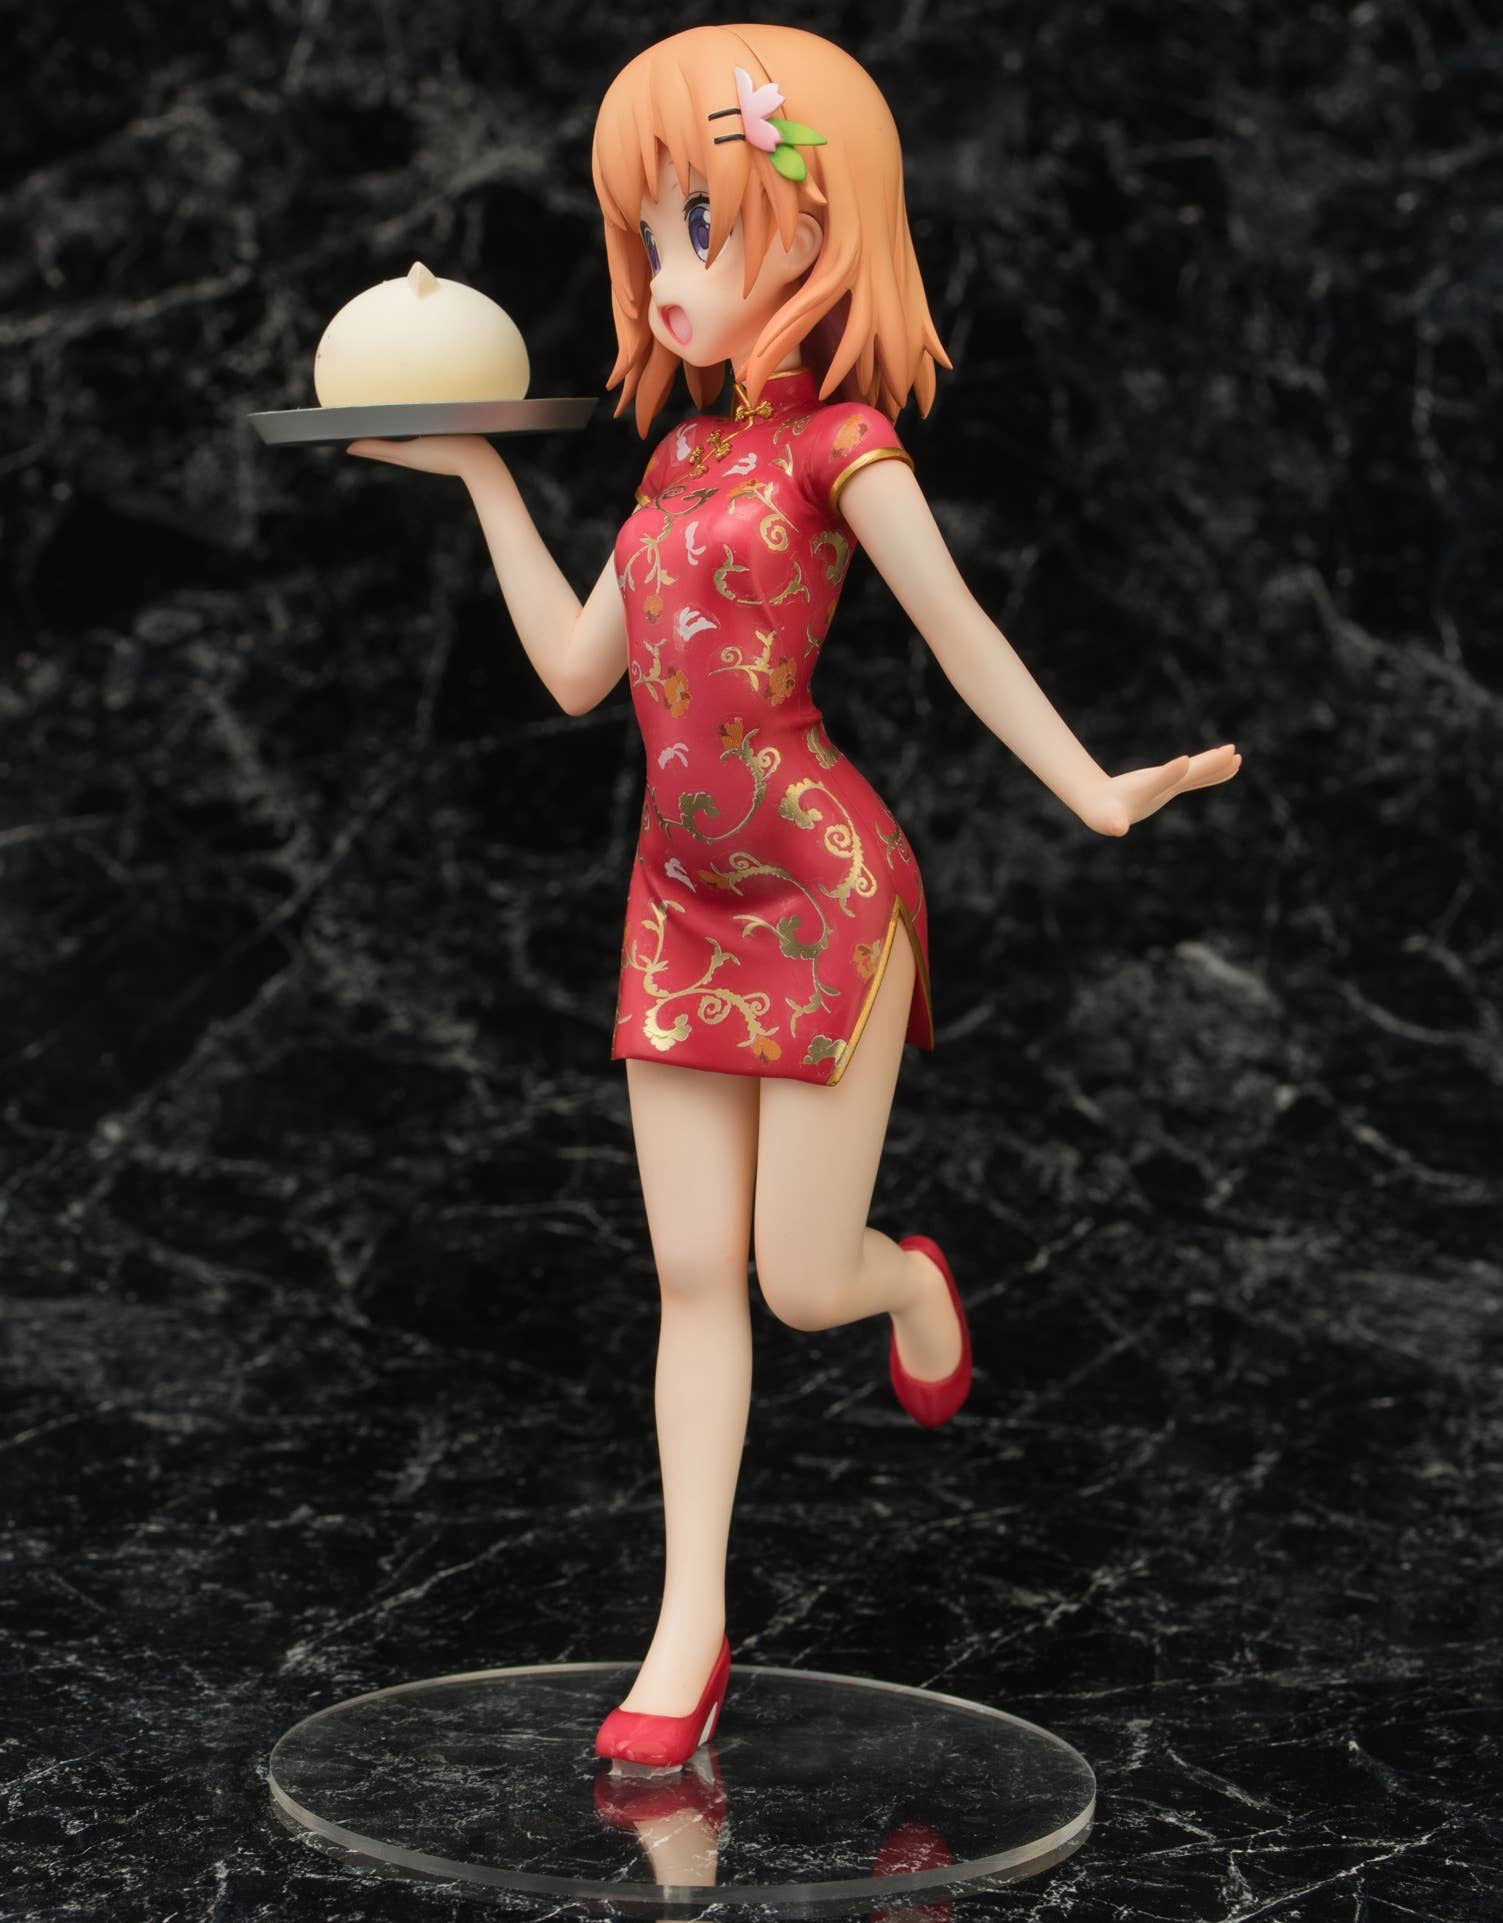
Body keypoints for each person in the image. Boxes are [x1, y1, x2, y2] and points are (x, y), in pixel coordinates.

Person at [346, 21, 1241, 1771]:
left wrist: (1094, 790)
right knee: (692, 1277)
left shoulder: (846, 451)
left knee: (799, 1280)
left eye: (700, 225)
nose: (665, 274)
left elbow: (960, 635)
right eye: (647, 237)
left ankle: (907, 1285)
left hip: (825, 895)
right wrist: (483, 479)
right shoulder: (673, 462)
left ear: (814, 230)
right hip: (677, 902)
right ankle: (689, 1621)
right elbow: (582, 675)